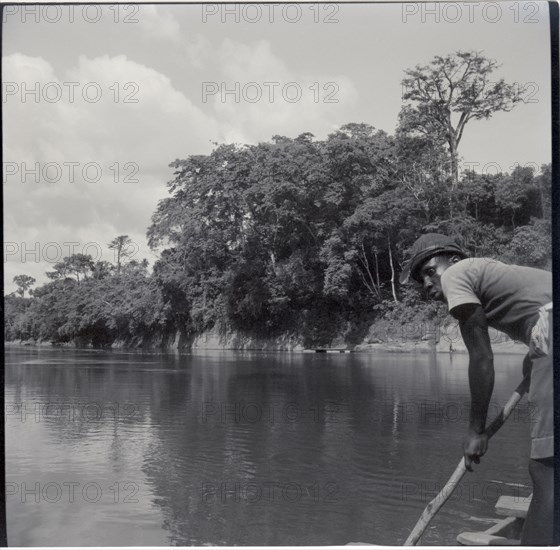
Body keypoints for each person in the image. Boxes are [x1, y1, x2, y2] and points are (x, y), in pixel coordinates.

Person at [399, 233, 553, 545]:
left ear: (453, 261)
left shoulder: (458, 274)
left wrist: (476, 432)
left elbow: (482, 358)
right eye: (420, 281)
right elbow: (537, 311)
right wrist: (534, 352)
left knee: (546, 469)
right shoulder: (489, 274)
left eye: (430, 271)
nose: (427, 285)